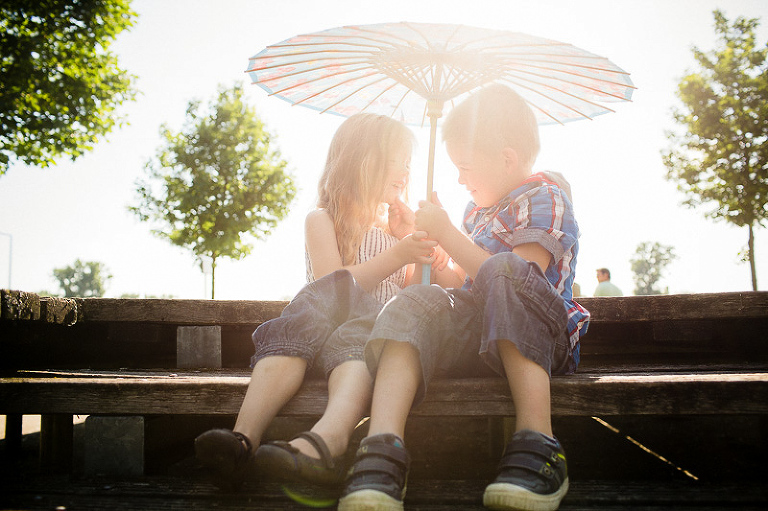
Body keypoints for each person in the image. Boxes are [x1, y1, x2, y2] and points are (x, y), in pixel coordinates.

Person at [338, 84, 590, 511]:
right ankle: (382, 446)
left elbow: (517, 280)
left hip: (540, 339)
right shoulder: (477, 213)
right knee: (417, 300)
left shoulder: (545, 197)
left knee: (506, 270)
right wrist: (427, 243)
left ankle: (539, 440)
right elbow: (460, 281)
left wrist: (448, 233)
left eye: (465, 167)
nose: (459, 178)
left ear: (506, 159)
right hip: (479, 336)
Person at [194, 113, 442, 498]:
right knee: (306, 312)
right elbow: (333, 286)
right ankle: (242, 440)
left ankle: (326, 441)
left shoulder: (399, 235)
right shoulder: (323, 219)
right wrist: (399, 254)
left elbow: (410, 297)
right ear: (361, 161)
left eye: (408, 163)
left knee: (361, 332)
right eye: (396, 160)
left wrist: (415, 244)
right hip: (314, 334)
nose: (405, 171)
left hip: (365, 342)